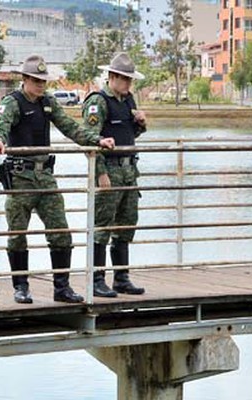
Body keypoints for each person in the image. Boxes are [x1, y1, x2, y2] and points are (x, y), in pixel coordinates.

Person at [0, 54, 115, 304]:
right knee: (17, 233)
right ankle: (21, 286)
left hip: (45, 176)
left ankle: (62, 287)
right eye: (35, 80)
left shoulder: (48, 103)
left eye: (43, 81)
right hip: (20, 176)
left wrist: (96, 140)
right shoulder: (12, 103)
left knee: (60, 231)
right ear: (24, 79)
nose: (40, 85)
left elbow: (69, 127)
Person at [81, 52, 147, 297]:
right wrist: (99, 172)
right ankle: (97, 279)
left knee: (127, 223)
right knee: (102, 225)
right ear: (111, 77)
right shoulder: (98, 101)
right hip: (109, 169)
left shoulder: (128, 100)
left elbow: (129, 135)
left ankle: (121, 277)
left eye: (130, 79)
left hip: (129, 170)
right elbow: (89, 139)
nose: (128, 84)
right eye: (124, 79)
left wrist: (140, 123)